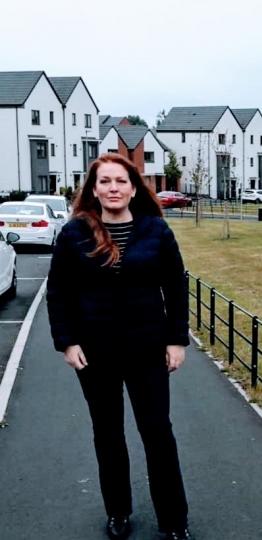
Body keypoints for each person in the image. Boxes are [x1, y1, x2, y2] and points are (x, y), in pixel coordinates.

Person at [46, 153, 193, 540]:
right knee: (108, 434)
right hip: (96, 353)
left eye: (121, 181)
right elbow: (58, 291)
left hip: (147, 350)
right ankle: (118, 512)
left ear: (133, 188)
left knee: (158, 432)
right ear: (94, 189)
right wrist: (66, 341)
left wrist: (177, 340)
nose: (113, 188)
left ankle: (174, 521)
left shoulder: (156, 231)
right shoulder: (74, 233)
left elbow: (176, 287)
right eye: (105, 181)